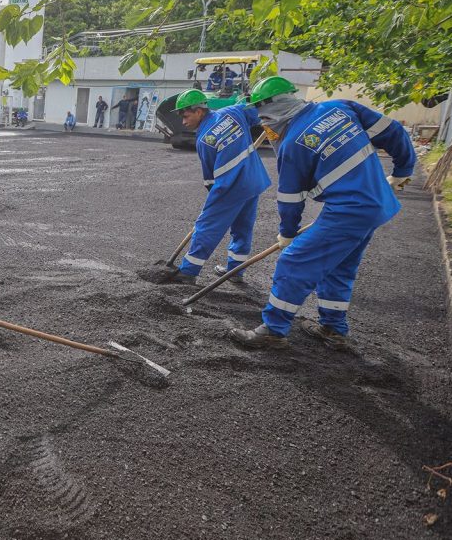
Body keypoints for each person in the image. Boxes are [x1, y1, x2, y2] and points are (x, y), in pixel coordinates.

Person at [230, 76, 415, 351]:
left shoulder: (293, 143)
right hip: (376, 204)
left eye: (261, 113)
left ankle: (274, 329)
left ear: (272, 108)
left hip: (350, 210)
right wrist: (402, 171)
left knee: (294, 262)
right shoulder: (341, 107)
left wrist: (288, 235)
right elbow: (394, 130)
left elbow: (290, 199)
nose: (263, 122)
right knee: (340, 266)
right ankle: (333, 328)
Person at [161, 89, 270, 285]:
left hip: (231, 186)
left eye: (186, 116)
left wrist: (214, 205)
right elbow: (256, 113)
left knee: (207, 225)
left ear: (199, 111)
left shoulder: (205, 140)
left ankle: (188, 271)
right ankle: (235, 270)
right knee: (242, 226)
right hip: (254, 181)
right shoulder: (232, 112)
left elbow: (210, 178)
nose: (183, 122)